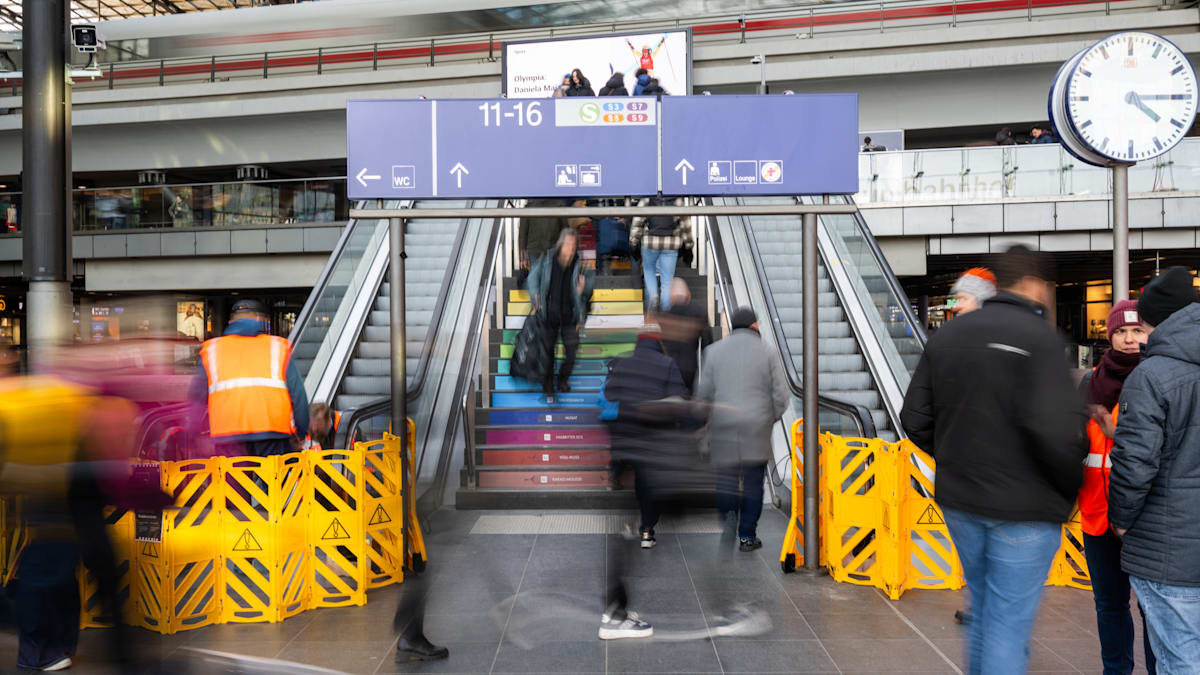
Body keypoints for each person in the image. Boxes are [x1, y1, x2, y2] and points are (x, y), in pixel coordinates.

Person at [900, 244, 1086, 675]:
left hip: (961, 501)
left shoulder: (947, 335)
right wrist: (1067, 490)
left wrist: (952, 455)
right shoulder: (1041, 340)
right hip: (1026, 507)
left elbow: (914, 418)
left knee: (983, 610)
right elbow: (1055, 432)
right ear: (1037, 285)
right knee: (1007, 624)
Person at [1109, 266, 1200, 673]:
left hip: (1170, 548)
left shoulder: (1152, 376)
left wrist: (1121, 519)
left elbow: (1134, 461)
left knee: (1180, 659)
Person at [1077, 299, 1158, 675]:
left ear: (1150, 334)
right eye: (1121, 332)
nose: (1128, 339)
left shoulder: (1161, 379)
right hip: (1097, 514)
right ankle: (1116, 670)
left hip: (1148, 517)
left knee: (1153, 606)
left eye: (1136, 330)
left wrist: (1117, 435)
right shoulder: (1090, 382)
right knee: (1109, 604)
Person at [696, 307, 790, 552]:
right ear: (753, 326)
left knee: (726, 479)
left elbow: (704, 393)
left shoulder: (713, 352)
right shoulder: (768, 352)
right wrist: (770, 417)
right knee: (752, 482)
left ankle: (728, 516)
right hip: (756, 428)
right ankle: (747, 535)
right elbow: (781, 395)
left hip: (724, 425)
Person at [189, 298, 309, 457]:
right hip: (272, 433)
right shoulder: (278, 347)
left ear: (231, 321)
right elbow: (298, 395)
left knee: (234, 481)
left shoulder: (212, 350)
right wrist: (301, 432)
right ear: (260, 319)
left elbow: (196, 398)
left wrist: (192, 434)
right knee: (273, 480)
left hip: (228, 436)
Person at [528, 229, 594, 396]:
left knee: (571, 352)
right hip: (549, 313)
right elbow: (532, 278)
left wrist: (583, 289)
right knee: (547, 353)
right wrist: (534, 294)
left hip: (570, 316)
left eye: (573, 245)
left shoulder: (580, 264)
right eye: (567, 244)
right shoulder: (548, 258)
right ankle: (548, 384)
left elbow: (590, 286)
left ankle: (562, 380)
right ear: (561, 244)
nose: (570, 248)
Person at [631, 197, 692, 312]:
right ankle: (666, 312)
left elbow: (636, 224)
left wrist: (633, 243)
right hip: (671, 245)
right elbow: (686, 226)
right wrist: (689, 245)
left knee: (649, 273)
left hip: (650, 244)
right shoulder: (677, 201)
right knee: (667, 282)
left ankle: (653, 298)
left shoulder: (646, 201)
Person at [657, 278, 712, 394]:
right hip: (690, 367)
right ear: (688, 295)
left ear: (671, 296)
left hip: (668, 367)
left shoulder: (664, 316)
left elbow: (658, 346)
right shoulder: (699, 313)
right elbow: (707, 344)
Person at [518, 198, 568, 271]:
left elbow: (523, 232)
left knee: (535, 277)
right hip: (549, 248)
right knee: (546, 278)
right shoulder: (558, 204)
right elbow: (565, 229)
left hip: (537, 248)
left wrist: (522, 253)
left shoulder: (529, 206)